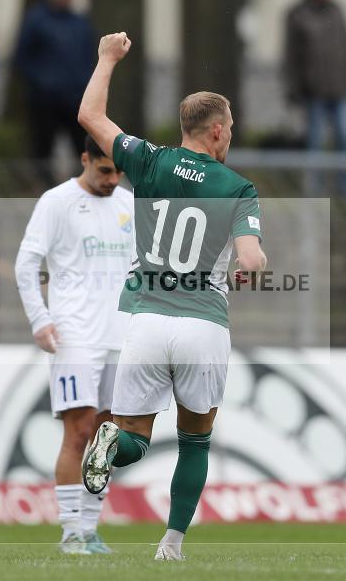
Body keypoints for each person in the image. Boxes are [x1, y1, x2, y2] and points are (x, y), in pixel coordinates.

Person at [78, 33, 268, 561]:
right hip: (202, 324)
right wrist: (252, 269)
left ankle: (112, 441)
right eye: (229, 129)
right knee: (195, 438)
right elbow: (250, 261)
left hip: (144, 320)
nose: (231, 137)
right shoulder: (238, 187)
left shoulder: (148, 161)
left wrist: (107, 59)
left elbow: (91, 115)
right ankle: (171, 543)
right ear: (215, 131)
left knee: (135, 435)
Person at [14, 136, 134, 555]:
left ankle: (89, 527)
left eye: (119, 172)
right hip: (75, 335)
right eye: (104, 170)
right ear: (85, 159)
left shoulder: (128, 204)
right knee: (79, 430)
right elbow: (27, 263)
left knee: (108, 437)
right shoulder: (56, 202)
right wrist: (39, 319)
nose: (112, 180)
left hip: (121, 335)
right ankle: (70, 533)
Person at [14, 0, 96, 184]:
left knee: (82, 146)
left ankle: (85, 186)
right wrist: (42, 81)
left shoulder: (80, 23)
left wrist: (84, 83)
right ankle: (42, 187)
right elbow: (22, 58)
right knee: (42, 148)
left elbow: (89, 57)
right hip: (44, 100)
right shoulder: (36, 20)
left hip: (76, 99)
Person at [283, 0, 346, 195]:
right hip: (313, 91)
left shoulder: (337, 11)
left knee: (345, 138)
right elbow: (291, 56)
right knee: (316, 142)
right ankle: (315, 189)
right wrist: (293, 88)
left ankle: (345, 190)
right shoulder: (298, 14)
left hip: (339, 88)